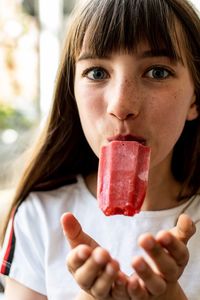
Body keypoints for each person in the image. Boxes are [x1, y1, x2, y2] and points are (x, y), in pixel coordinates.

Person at [0, 0, 200, 299]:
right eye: (96, 73)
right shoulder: (39, 216)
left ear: (196, 98)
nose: (121, 106)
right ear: (72, 91)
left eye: (157, 72)